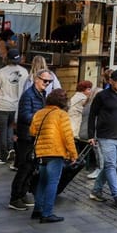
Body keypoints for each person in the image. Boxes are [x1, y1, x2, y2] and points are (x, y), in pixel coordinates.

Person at [86, 69, 117, 209]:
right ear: (111, 81)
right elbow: (92, 116)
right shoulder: (102, 96)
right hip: (105, 136)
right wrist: (91, 135)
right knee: (110, 165)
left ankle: (96, 191)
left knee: (110, 165)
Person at [28, 88, 77, 223]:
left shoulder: (39, 113)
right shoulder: (62, 115)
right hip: (56, 153)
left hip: (41, 153)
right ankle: (47, 213)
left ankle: (37, 210)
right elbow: (68, 136)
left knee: (42, 182)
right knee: (52, 182)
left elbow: (32, 131)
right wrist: (73, 154)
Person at [7, 69, 53, 211]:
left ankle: (23, 193)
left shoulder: (42, 94)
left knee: (31, 167)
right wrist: (42, 118)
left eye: (49, 81)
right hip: (26, 136)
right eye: (45, 80)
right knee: (24, 167)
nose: (47, 83)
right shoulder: (29, 95)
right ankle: (15, 198)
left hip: (34, 136)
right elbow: (25, 116)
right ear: (36, 79)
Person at [0, 49, 30, 165]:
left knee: (2, 130)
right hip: (17, 105)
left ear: (7, 59)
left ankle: (3, 156)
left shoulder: (1, 72)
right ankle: (11, 149)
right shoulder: (25, 72)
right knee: (10, 127)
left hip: (3, 105)